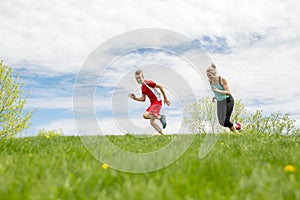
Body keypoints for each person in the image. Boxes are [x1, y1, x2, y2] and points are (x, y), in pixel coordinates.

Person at [128, 70, 171, 135]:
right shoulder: (142, 87)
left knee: (145, 115)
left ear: (143, 77)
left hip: (157, 102)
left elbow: (160, 86)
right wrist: (135, 98)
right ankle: (163, 135)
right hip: (153, 103)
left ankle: (160, 117)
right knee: (152, 122)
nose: (138, 80)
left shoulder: (148, 83)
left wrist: (165, 98)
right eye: (137, 79)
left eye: (139, 78)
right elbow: (143, 99)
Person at [206, 63, 241, 132]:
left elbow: (228, 92)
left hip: (228, 100)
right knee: (221, 122)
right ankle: (237, 126)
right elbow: (217, 91)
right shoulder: (210, 81)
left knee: (226, 120)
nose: (209, 78)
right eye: (208, 76)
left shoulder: (222, 80)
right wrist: (215, 97)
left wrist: (218, 91)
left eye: (210, 76)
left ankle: (236, 134)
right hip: (220, 102)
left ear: (214, 74)